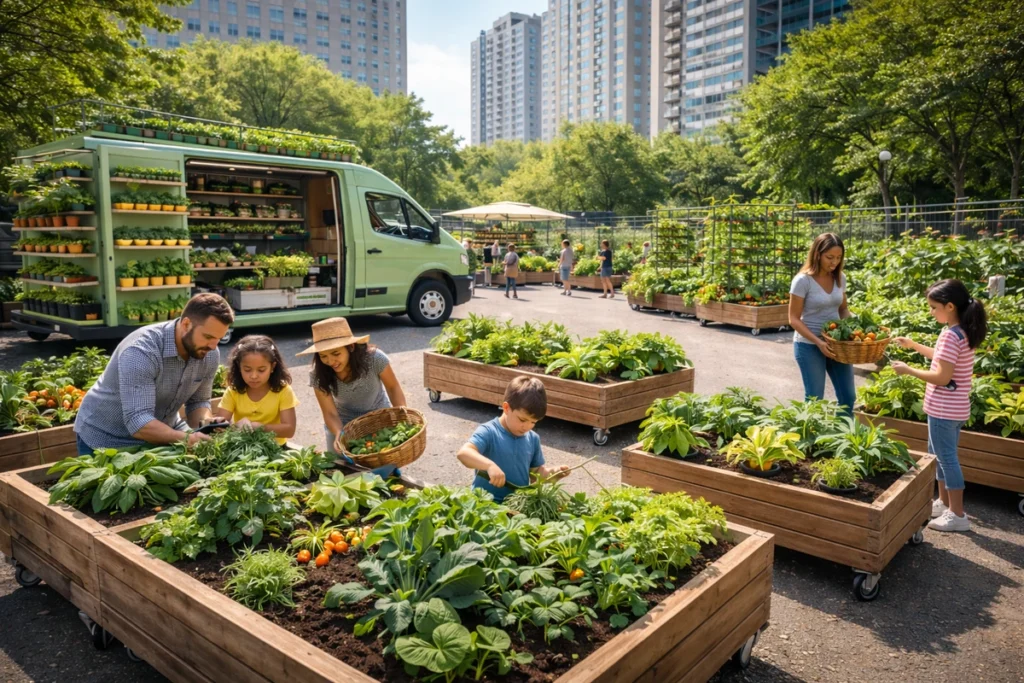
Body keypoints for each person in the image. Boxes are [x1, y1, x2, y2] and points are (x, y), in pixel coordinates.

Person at [73, 293, 234, 454]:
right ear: (186, 324)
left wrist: (206, 421)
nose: (213, 346)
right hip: (106, 439)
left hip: (162, 433)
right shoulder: (141, 351)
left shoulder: (208, 353)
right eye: (208, 337)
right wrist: (187, 438)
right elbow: (138, 422)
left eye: (218, 339)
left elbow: (199, 401)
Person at [891, 279, 987, 533]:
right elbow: (942, 358)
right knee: (940, 457)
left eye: (934, 307)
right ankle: (944, 504)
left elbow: (942, 378)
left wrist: (908, 370)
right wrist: (913, 345)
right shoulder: (961, 331)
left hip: (944, 409)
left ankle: (957, 515)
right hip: (955, 408)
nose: (931, 312)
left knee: (946, 459)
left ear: (950, 306)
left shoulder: (951, 335)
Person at [303, 317, 407, 476]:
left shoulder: (374, 358)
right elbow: (329, 413)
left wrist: (401, 414)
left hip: (379, 417)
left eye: (335, 353)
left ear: (350, 347)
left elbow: (393, 388)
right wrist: (339, 434)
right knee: (340, 468)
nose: (330, 361)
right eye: (323, 356)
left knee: (383, 468)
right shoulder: (318, 374)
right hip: (343, 424)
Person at [456, 376, 571, 502]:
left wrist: (554, 474)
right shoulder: (489, 431)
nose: (527, 426)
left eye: (533, 422)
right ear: (506, 408)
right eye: (522, 420)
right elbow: (464, 454)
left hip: (517, 506)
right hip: (486, 505)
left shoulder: (532, 439)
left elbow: (535, 474)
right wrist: (489, 465)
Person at [788, 233, 855, 413]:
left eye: (839, 257)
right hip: (809, 345)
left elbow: (842, 309)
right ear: (817, 254)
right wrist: (819, 342)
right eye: (830, 257)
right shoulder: (802, 281)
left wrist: (857, 328)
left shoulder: (840, 278)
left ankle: (844, 438)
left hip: (836, 344)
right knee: (815, 400)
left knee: (848, 396)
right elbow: (793, 319)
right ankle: (813, 440)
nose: (834, 262)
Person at [213, 335, 298, 445]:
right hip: (242, 448)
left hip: (275, 449)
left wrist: (259, 427)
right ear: (239, 366)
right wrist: (233, 426)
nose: (254, 376)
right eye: (247, 370)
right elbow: (220, 425)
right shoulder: (233, 391)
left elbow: (289, 430)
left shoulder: (283, 391)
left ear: (272, 367)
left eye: (261, 370)